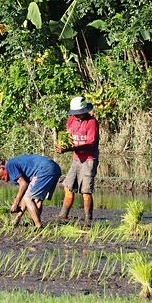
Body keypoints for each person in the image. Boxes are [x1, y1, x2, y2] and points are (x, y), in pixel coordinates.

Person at [55, 95, 99, 226]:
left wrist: (71, 149)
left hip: (89, 160)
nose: (76, 116)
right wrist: (62, 146)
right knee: (68, 187)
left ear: (85, 111)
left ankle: (88, 219)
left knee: (86, 190)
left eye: (78, 114)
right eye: (75, 114)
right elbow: (68, 137)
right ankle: (63, 215)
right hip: (76, 159)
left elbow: (91, 143)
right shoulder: (71, 120)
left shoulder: (92, 122)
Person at [0, 153, 61, 228]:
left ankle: (38, 226)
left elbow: (23, 185)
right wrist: (16, 219)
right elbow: (26, 194)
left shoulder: (10, 166)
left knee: (28, 198)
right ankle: (34, 223)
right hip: (54, 168)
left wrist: (16, 203)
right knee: (37, 200)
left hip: (44, 169)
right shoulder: (15, 164)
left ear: (1, 167)